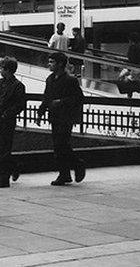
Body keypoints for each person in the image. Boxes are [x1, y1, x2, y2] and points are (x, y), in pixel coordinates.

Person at [38, 52, 86, 186]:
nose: (49, 64)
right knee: (58, 146)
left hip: (66, 117)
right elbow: (46, 96)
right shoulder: (50, 79)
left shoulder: (70, 80)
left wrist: (61, 102)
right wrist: (41, 111)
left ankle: (75, 165)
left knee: (62, 144)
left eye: (52, 62)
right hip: (54, 116)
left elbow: (78, 98)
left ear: (60, 64)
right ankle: (65, 173)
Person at [0, 57, 26, 188]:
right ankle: (14, 166)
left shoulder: (18, 86)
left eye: (2, 68)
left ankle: (3, 179)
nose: (0, 70)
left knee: (3, 148)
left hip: (7, 120)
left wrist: (7, 114)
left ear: (8, 70)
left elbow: (19, 105)